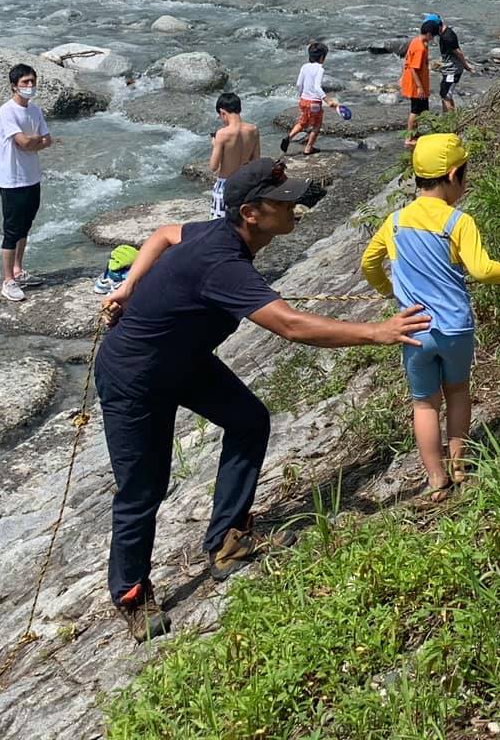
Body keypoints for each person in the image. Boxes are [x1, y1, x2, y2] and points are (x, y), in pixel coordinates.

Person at [95, 158, 429, 641]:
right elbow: (291, 325)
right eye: (282, 201)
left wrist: (129, 286)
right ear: (251, 214)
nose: (294, 205)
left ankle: (227, 540)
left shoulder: (218, 235)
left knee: (248, 420)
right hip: (135, 377)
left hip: (183, 361)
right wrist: (376, 332)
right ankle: (130, 593)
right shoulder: (223, 264)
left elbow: (165, 234)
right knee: (143, 488)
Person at [358, 134, 500, 499]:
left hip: (414, 330)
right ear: (452, 175)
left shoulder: (395, 221)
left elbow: (369, 263)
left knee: (424, 403)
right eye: (464, 174)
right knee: (458, 391)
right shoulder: (458, 221)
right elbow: (481, 270)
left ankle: (436, 479)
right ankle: (459, 465)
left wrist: (388, 290)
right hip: (455, 329)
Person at [0, 62, 54, 303]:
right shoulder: (7, 111)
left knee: (26, 226)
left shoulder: (35, 110)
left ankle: (18, 270)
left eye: (32, 81)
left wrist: (33, 141)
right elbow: (23, 142)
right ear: (14, 86)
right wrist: (33, 141)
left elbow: (47, 140)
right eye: (25, 82)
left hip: (32, 177)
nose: (30, 86)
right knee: (11, 230)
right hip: (12, 179)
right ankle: (7, 280)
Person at [207, 91, 260, 217]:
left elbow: (213, 166)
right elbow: (256, 161)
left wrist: (214, 145)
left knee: (220, 224)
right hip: (244, 184)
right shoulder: (253, 130)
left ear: (222, 112)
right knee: (240, 222)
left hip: (225, 185)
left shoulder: (222, 134)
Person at [281, 43, 337, 156]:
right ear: (322, 57)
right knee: (317, 125)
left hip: (303, 100)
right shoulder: (320, 69)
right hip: (314, 103)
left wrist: (301, 95)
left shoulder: (304, 67)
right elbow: (317, 87)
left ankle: (289, 137)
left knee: (302, 122)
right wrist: (327, 100)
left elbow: (298, 84)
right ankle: (308, 148)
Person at [399, 18, 436, 144]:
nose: (433, 39)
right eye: (433, 36)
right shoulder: (420, 48)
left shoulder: (416, 41)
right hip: (415, 84)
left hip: (416, 81)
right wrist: (420, 87)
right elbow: (414, 69)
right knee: (415, 110)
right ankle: (409, 138)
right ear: (429, 34)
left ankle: (415, 133)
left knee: (422, 109)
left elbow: (407, 60)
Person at [429, 15, 472, 112]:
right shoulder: (444, 33)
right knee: (446, 93)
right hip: (449, 68)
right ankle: (449, 115)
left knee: (445, 94)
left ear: (437, 26)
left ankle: (451, 118)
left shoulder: (447, 37)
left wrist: (466, 66)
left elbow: (458, 52)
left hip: (453, 70)